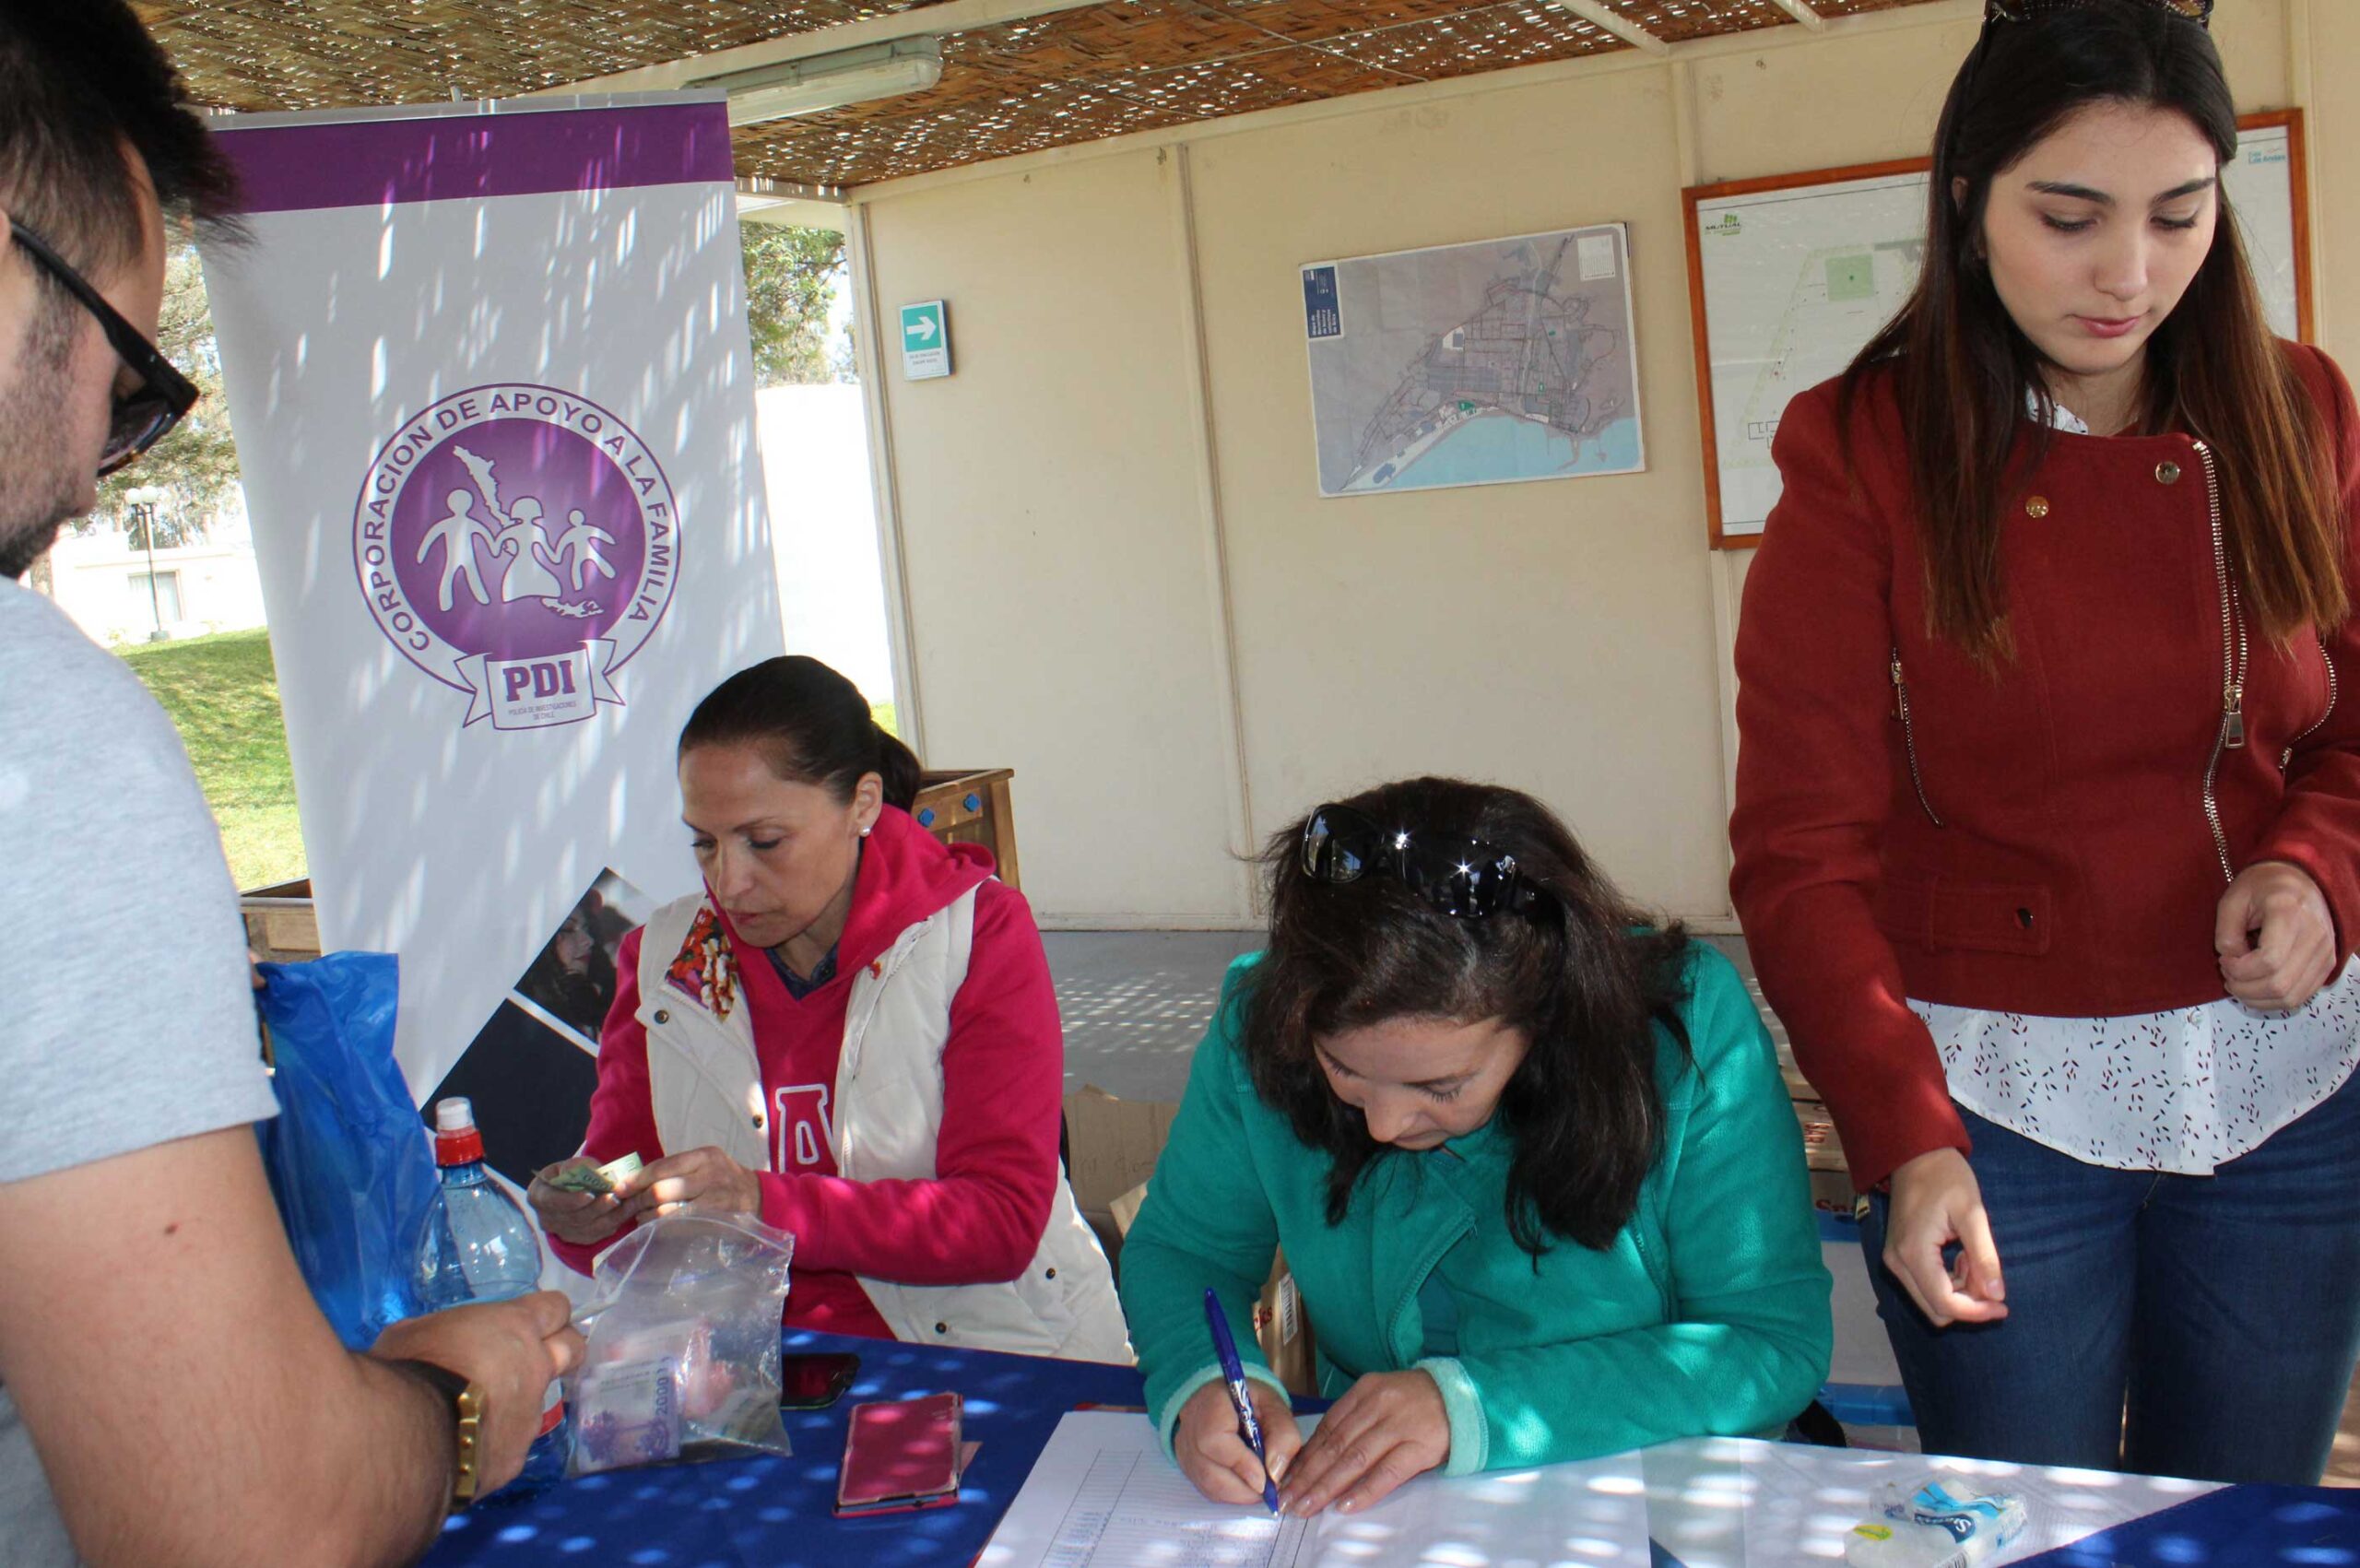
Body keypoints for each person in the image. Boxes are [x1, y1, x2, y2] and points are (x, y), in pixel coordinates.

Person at [1729, 0, 2360, 1482]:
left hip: (2289, 1092)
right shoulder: (1866, 445)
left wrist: (2322, 871)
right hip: (1998, 1107)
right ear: (1967, 201)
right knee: (2023, 1515)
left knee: (2242, 1513)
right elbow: (1799, 856)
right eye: (2068, 217)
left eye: (2178, 215)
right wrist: (1902, 1131)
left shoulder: (2299, 409)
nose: (2127, 274)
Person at [0, 5, 583, 1563]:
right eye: (125, 375)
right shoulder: (30, 742)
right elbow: (245, 1525)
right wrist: (453, 1402)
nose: (85, 478)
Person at [1121, 779, 1830, 1516]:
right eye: (1345, 1072)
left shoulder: (1686, 1029)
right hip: (1375, 1512)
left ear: (1543, 1016)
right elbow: (1183, 1251)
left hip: (1639, 1487)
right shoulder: (1260, 1024)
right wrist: (1204, 1379)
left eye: (1442, 1084)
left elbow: (1768, 1344)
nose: (1386, 1124)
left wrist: (1471, 1406)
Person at [529, 655, 1131, 1361]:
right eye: (704, 842)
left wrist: (763, 1203)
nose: (729, 879)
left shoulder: (976, 932)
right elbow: (626, 1181)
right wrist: (584, 1210)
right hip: (746, 1377)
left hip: (986, 1357)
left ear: (864, 804)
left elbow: (1000, 1220)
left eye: (764, 841)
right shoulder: (664, 960)